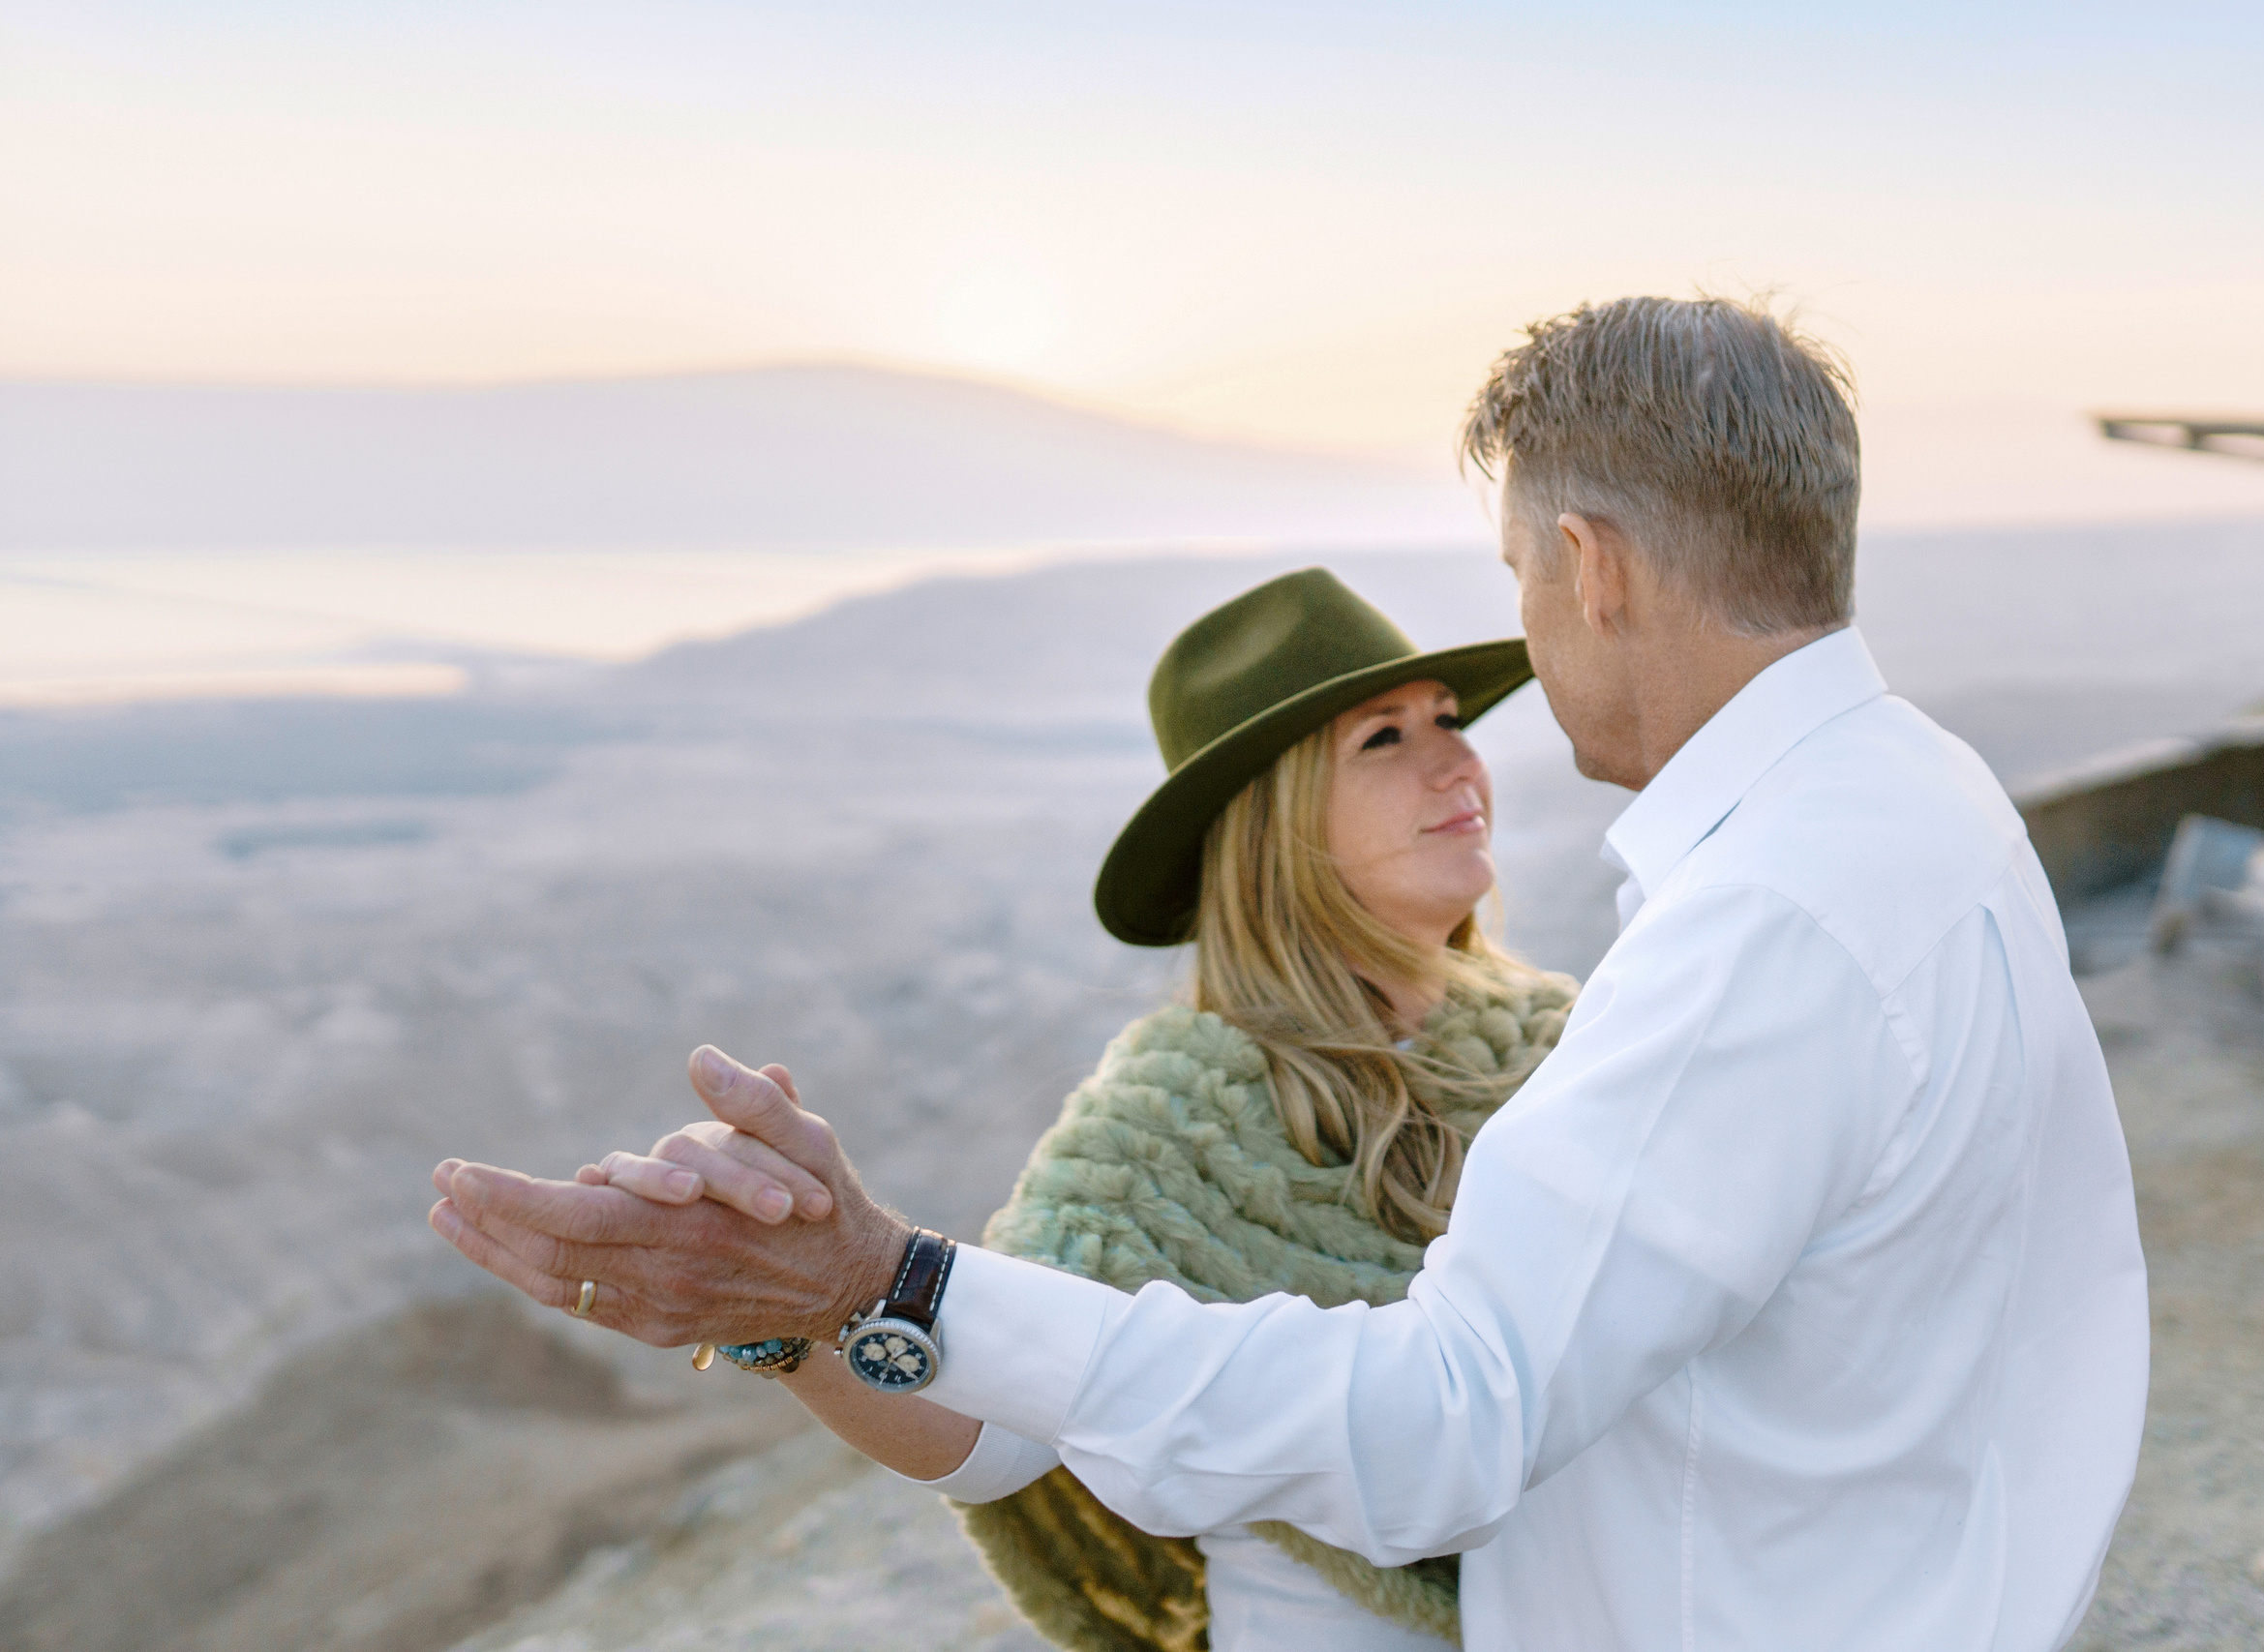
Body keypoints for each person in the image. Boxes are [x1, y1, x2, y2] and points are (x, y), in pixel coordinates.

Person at [432, 295, 2151, 1652]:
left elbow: (1446, 1427)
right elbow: (1017, 1433)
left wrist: (877, 1281)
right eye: (1380, 745)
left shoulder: (1730, 945)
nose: (1477, 745)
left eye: (1505, 613)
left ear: (1594, 568)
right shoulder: (1922, 806)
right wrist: (832, 1317)